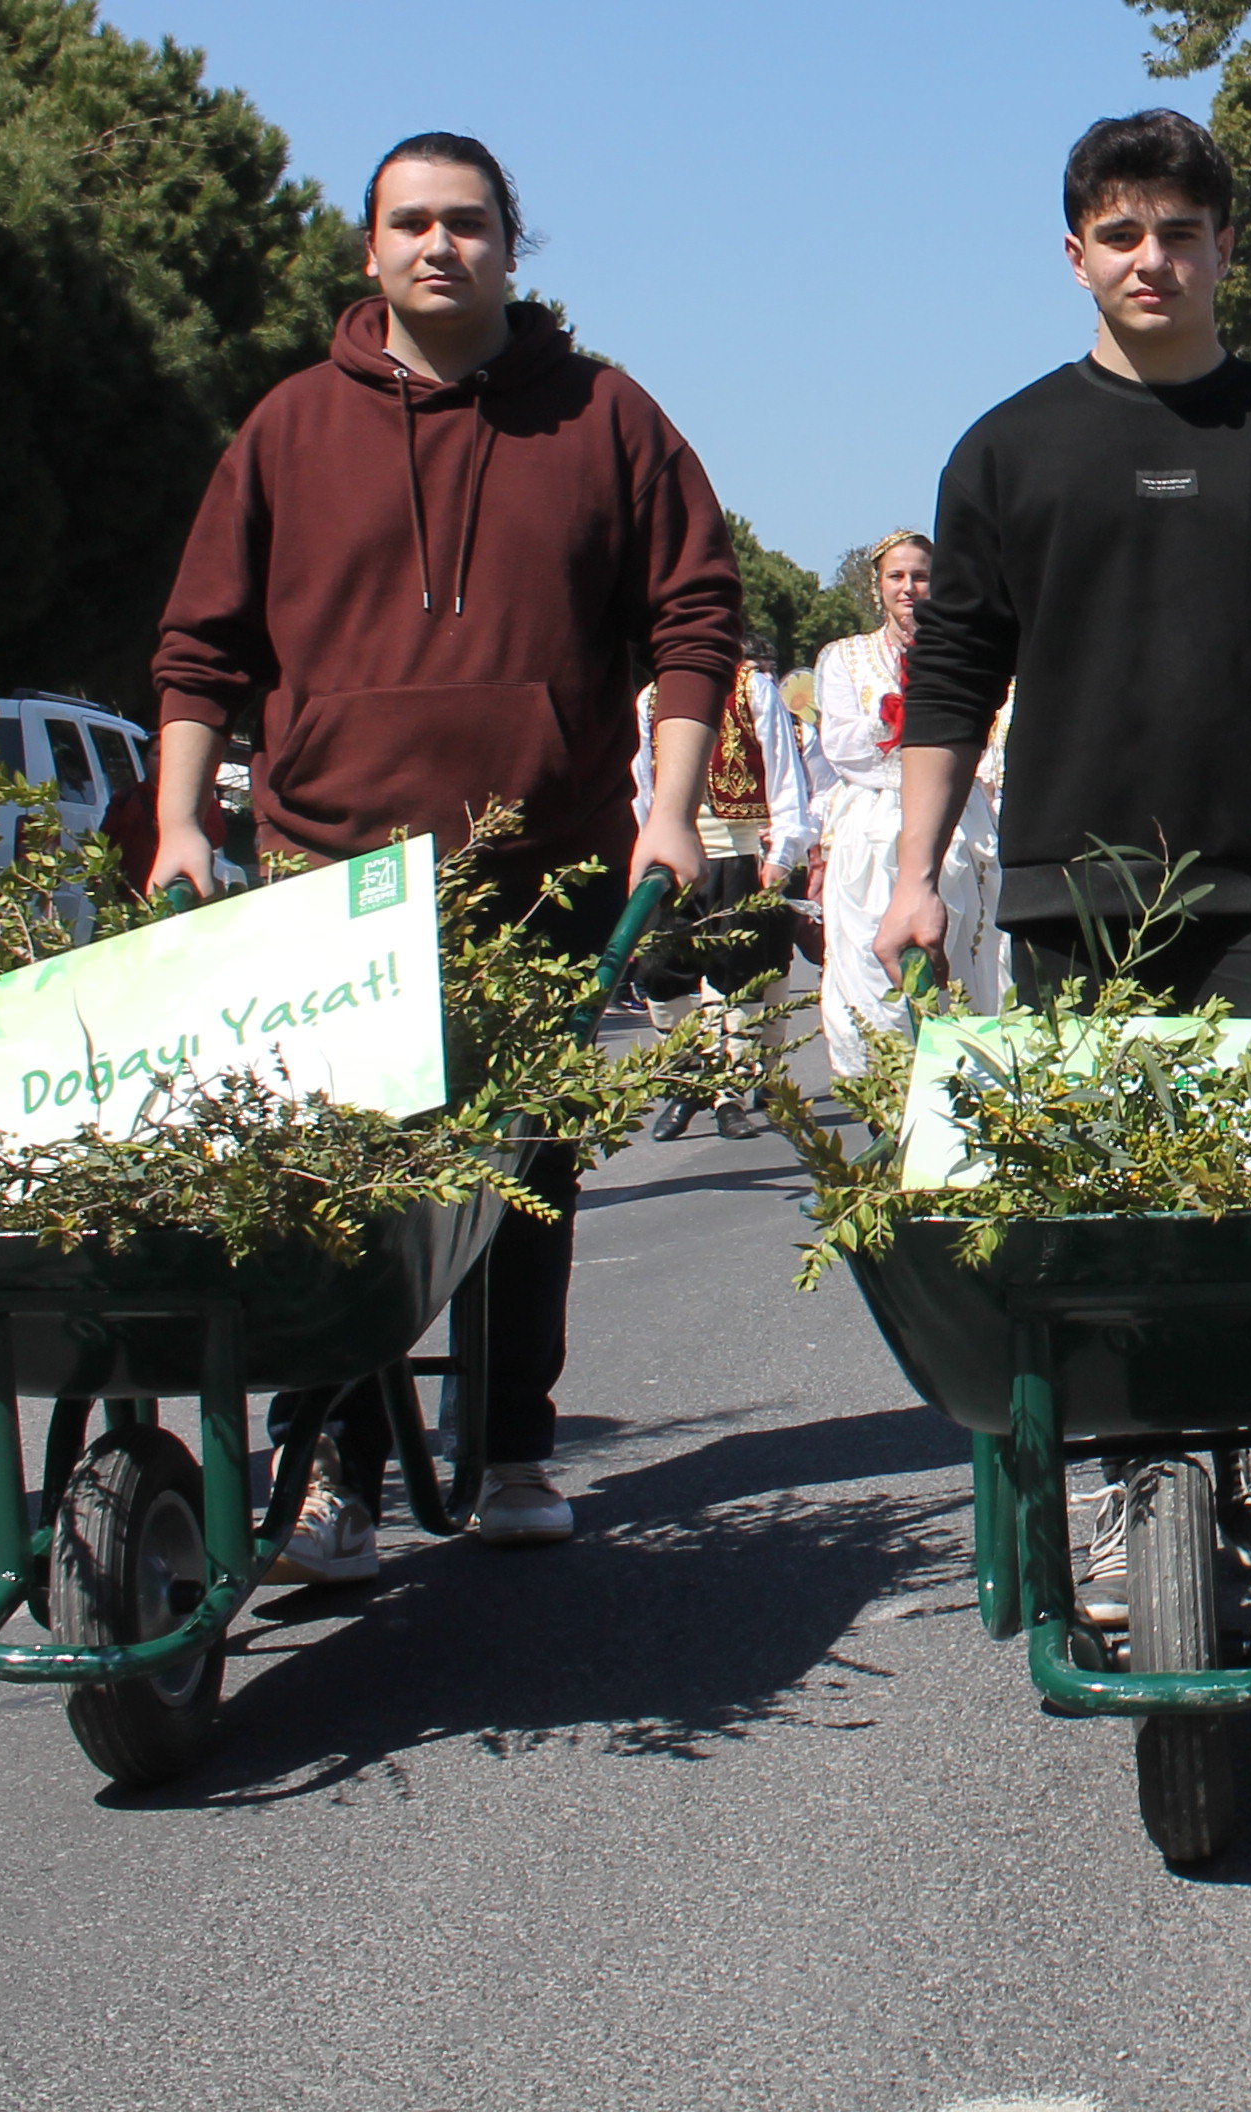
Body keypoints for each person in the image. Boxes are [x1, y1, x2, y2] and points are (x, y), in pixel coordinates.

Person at [152, 130, 743, 1570]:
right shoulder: (290, 425)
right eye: (410, 223)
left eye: (468, 224)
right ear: (369, 250)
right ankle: (331, 1470)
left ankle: (517, 1446)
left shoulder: (605, 416)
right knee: (342, 1181)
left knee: (524, 1164)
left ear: (508, 247)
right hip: (327, 871)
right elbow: (202, 647)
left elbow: (692, 620)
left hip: (539, 864)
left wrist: (668, 809)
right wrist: (179, 824)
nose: (439, 246)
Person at [876, 108, 1251, 1027]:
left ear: (1224, 249)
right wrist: (916, 878)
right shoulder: (1004, 453)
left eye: (1180, 234)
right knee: (1084, 1176)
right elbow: (952, 679)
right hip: (1066, 903)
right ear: (1077, 256)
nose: (1151, 261)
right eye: (1121, 236)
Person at [810, 536, 1002, 1078]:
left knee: (962, 953)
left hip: (953, 815)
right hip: (872, 821)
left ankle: (960, 1083)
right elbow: (842, 748)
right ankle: (881, 1086)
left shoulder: (962, 654)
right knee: (868, 964)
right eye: (897, 577)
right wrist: (891, 720)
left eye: (920, 576)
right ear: (879, 587)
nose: (909, 588)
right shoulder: (844, 657)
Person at [630, 656, 818, 1133]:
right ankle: (689, 1076)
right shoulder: (651, 698)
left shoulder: (751, 688)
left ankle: (730, 1092)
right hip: (679, 852)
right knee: (660, 970)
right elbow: (644, 786)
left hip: (742, 849)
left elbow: (784, 773)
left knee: (739, 975)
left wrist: (784, 851)